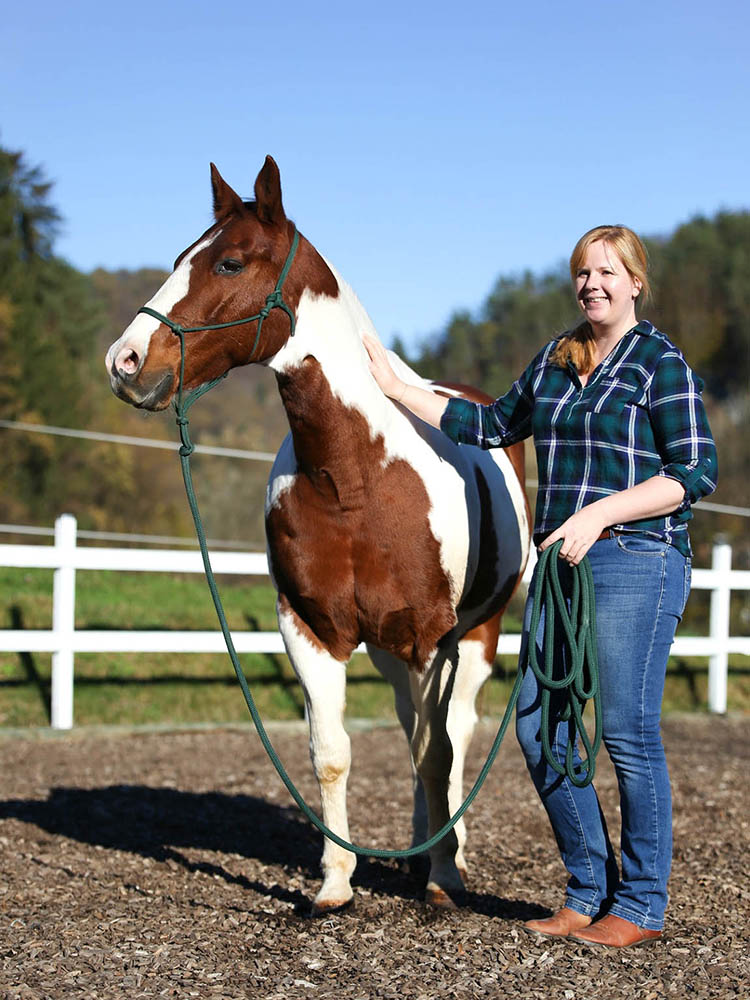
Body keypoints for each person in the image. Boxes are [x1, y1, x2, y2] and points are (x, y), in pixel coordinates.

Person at [363, 225, 718, 949]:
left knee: (626, 732)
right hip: (562, 569)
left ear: (636, 283)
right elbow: (491, 423)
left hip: (637, 558)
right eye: (584, 273)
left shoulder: (660, 363)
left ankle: (642, 904)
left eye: (608, 272)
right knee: (537, 729)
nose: (593, 284)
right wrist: (398, 387)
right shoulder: (559, 359)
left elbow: (693, 474)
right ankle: (587, 891)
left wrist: (599, 513)